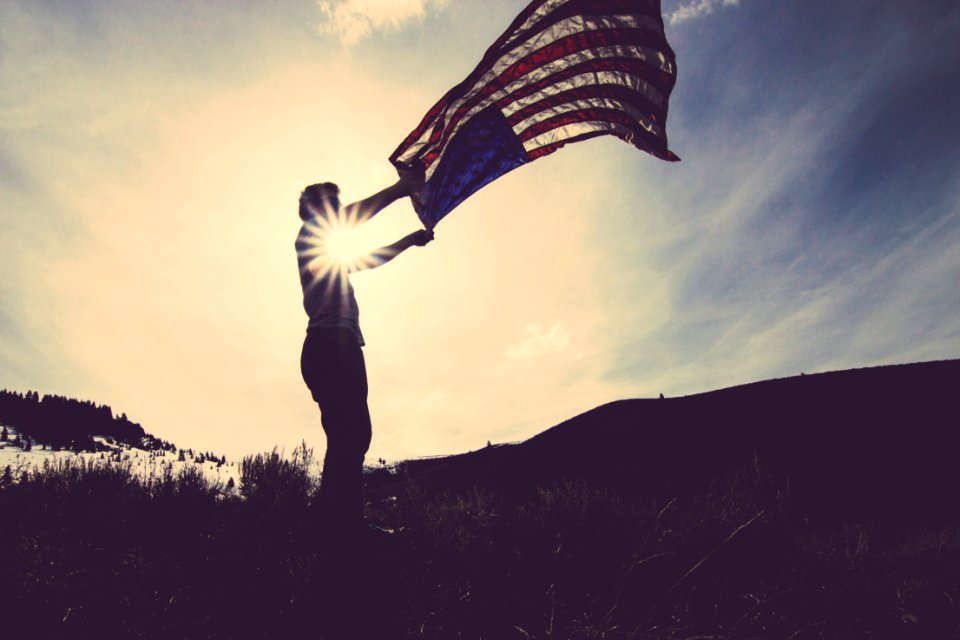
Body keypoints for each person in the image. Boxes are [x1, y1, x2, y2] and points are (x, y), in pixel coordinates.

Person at [296, 173, 432, 541]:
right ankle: (344, 528)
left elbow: (369, 259)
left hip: (332, 347)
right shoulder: (309, 237)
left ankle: (337, 524)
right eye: (332, 207)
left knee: (349, 436)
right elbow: (354, 218)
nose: (338, 213)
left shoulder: (328, 258)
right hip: (331, 346)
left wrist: (409, 240)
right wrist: (399, 190)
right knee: (350, 435)